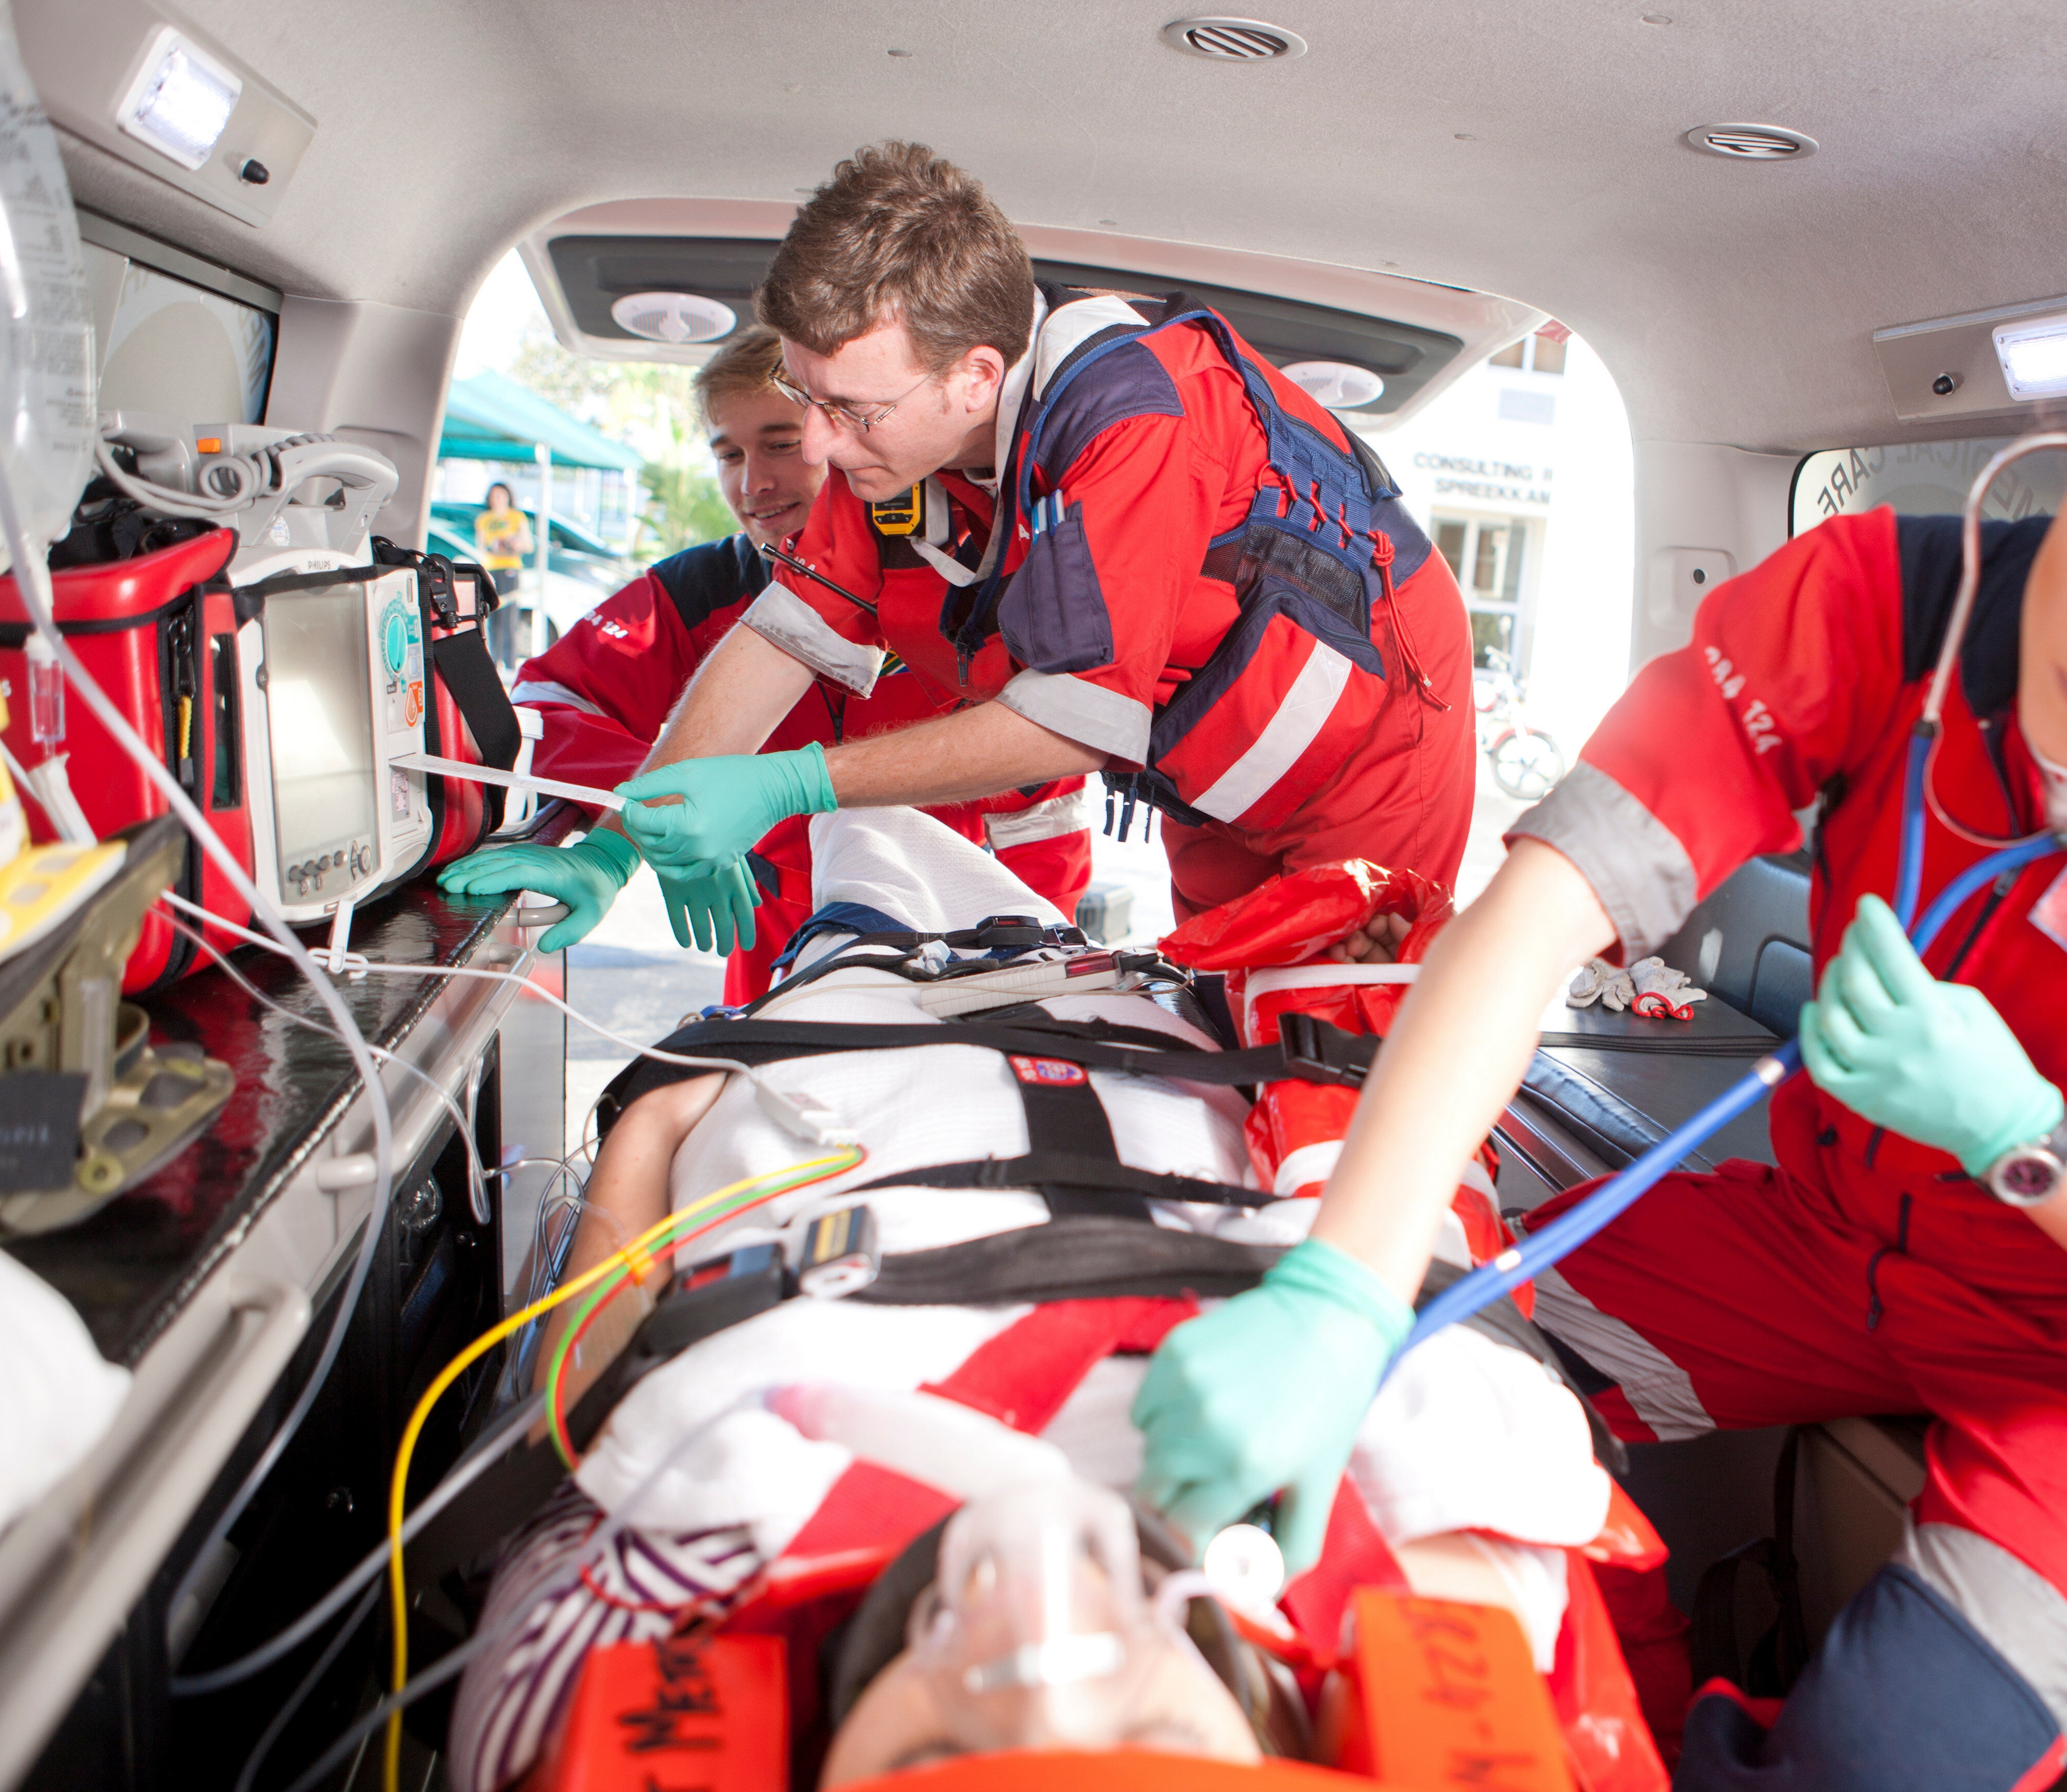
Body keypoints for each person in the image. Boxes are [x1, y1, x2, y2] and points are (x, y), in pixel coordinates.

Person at [1128, 229, 2067, 1789]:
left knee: (1874, 1762)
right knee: (1434, 1390)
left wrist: (2027, 1143)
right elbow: (1540, 906)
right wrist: (1343, 1287)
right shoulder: (1890, 601)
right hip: (1826, 1249)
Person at [441, 808, 1647, 1790]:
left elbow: (585, 1387)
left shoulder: (652, 1588)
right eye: (1157, 1739)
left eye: (931, 1750)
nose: (1037, 1642)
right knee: (888, 826)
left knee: (868, 832)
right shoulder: (1456, 1559)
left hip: (855, 1028)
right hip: (1143, 1022)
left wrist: (672, 1095)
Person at [476, 142, 1475, 942]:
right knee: (1230, 1033)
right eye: (804, 398)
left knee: (1340, 1055)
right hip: (1212, 780)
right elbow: (787, 634)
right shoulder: (893, 450)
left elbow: (1075, 720)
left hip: (1373, 759)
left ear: (975, 378)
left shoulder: (1136, 420)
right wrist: (611, 849)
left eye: (853, 409)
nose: (819, 444)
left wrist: (790, 782)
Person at [448, 327, 1092, 1000]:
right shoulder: (697, 593)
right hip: (772, 939)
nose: (754, 481)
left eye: (781, 444)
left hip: (955, 932)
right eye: (728, 453)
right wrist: (664, 815)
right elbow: (544, 704)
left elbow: (1046, 806)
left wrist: (1035, 958)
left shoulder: (973, 584)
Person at [473, 481, 532, 596]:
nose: (497, 499)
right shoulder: (483, 519)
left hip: (510, 567)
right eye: (494, 495)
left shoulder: (517, 517)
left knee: (507, 609)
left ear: (508, 497)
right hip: (490, 568)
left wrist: (515, 545)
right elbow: (481, 546)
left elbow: (529, 545)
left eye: (501, 495)